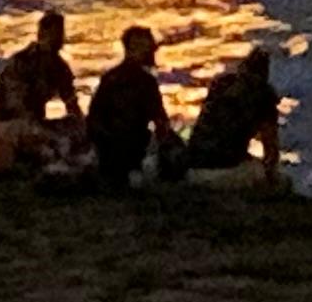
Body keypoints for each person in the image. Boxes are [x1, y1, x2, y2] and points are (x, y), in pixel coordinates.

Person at [0, 9, 85, 175]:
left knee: (69, 131)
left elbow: (71, 103)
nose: (58, 38)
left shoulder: (60, 67)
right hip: (4, 123)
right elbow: (14, 103)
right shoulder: (23, 62)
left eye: (60, 33)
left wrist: (80, 126)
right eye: (54, 32)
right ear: (42, 34)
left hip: (31, 123)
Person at [85, 26, 181, 189]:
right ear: (135, 47)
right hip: (131, 150)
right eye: (149, 47)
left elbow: (93, 120)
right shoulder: (145, 82)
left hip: (105, 152)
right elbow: (161, 123)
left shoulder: (109, 78)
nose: (153, 52)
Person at [180, 45, 284, 184]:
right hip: (225, 170)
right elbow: (271, 149)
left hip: (193, 166)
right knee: (271, 177)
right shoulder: (263, 96)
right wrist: (272, 177)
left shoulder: (220, 85)